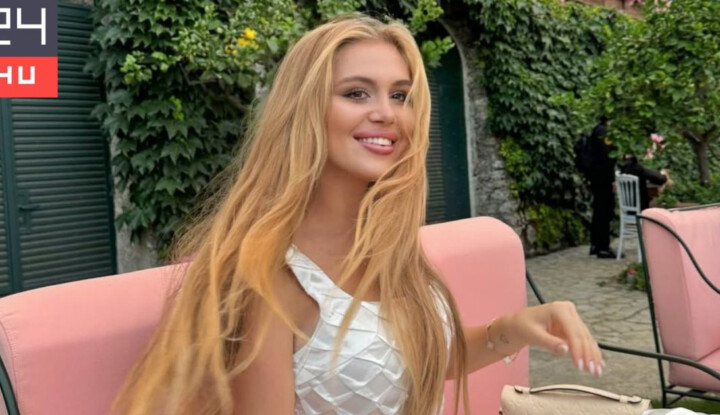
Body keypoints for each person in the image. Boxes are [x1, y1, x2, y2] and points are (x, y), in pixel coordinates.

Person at [112, 15, 603, 415]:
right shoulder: (268, 278)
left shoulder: (387, 242)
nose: (387, 113)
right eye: (356, 93)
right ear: (304, 110)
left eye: (400, 95)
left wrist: (513, 329)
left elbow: (412, 361)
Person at [585, 116, 618, 259]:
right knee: (605, 211)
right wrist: (612, 180)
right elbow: (607, 157)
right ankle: (603, 247)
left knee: (598, 210)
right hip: (603, 177)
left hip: (596, 176)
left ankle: (595, 244)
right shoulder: (604, 132)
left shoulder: (596, 130)